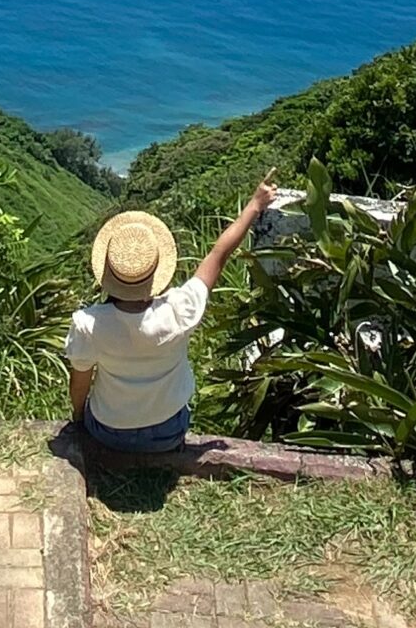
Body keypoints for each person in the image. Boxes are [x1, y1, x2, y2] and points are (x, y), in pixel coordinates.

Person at [66, 181, 277, 454]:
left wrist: (80, 418)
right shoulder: (180, 309)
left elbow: (79, 384)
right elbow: (219, 254)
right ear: (155, 274)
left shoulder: (88, 324)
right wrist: (255, 205)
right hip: (169, 431)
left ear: (108, 273)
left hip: (108, 432)